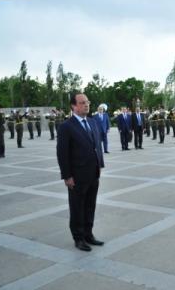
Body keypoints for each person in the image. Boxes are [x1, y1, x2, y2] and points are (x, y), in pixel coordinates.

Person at [56, 93, 105, 252]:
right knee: (77, 207)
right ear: (74, 106)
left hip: (93, 173)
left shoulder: (92, 122)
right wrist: (67, 176)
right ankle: (79, 238)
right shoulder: (66, 126)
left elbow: (96, 145)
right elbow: (62, 153)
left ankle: (88, 234)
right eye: (82, 103)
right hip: (77, 176)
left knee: (90, 206)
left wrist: (100, 165)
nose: (86, 105)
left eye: (87, 102)